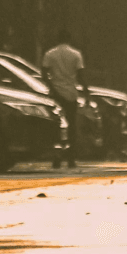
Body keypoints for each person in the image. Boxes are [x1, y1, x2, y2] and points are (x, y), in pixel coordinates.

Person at [41, 30, 86, 169]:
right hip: (71, 94)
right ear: (69, 39)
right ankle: (71, 158)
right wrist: (86, 91)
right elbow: (81, 75)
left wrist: (51, 87)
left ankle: (57, 157)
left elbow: (43, 73)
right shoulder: (76, 54)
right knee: (72, 127)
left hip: (55, 95)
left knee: (56, 127)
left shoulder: (50, 54)